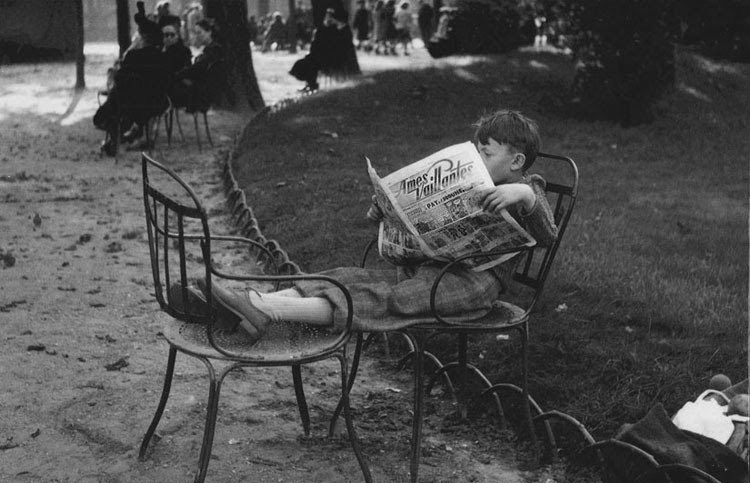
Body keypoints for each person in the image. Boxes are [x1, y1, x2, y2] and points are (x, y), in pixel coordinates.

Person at [203, 110, 558, 341]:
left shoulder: (527, 189)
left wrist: (523, 194)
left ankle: (265, 308)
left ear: (517, 161)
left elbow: (548, 232)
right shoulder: (468, 186)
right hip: (431, 271)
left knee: (390, 299)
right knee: (345, 277)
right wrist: (389, 213)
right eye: (476, 151)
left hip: (473, 286)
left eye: (487, 153)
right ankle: (251, 303)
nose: (479, 159)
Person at [93, 1, 169, 155]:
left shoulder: (133, 56)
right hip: (154, 105)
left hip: (129, 106)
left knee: (111, 109)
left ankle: (116, 138)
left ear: (143, 38)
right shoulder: (163, 58)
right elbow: (165, 83)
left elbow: (120, 80)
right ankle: (125, 136)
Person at [289, 7, 354, 92]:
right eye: (327, 16)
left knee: (310, 63)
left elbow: (333, 46)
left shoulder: (337, 29)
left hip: (332, 59)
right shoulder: (326, 28)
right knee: (307, 62)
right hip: (322, 56)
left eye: (329, 16)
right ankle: (311, 84)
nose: (327, 18)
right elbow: (317, 44)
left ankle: (312, 85)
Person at [170, 18, 224, 112]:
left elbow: (198, 68)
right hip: (201, 87)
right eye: (196, 33)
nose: (197, 36)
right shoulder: (210, 49)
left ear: (209, 32)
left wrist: (178, 74)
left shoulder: (214, 50)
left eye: (200, 33)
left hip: (202, 93)